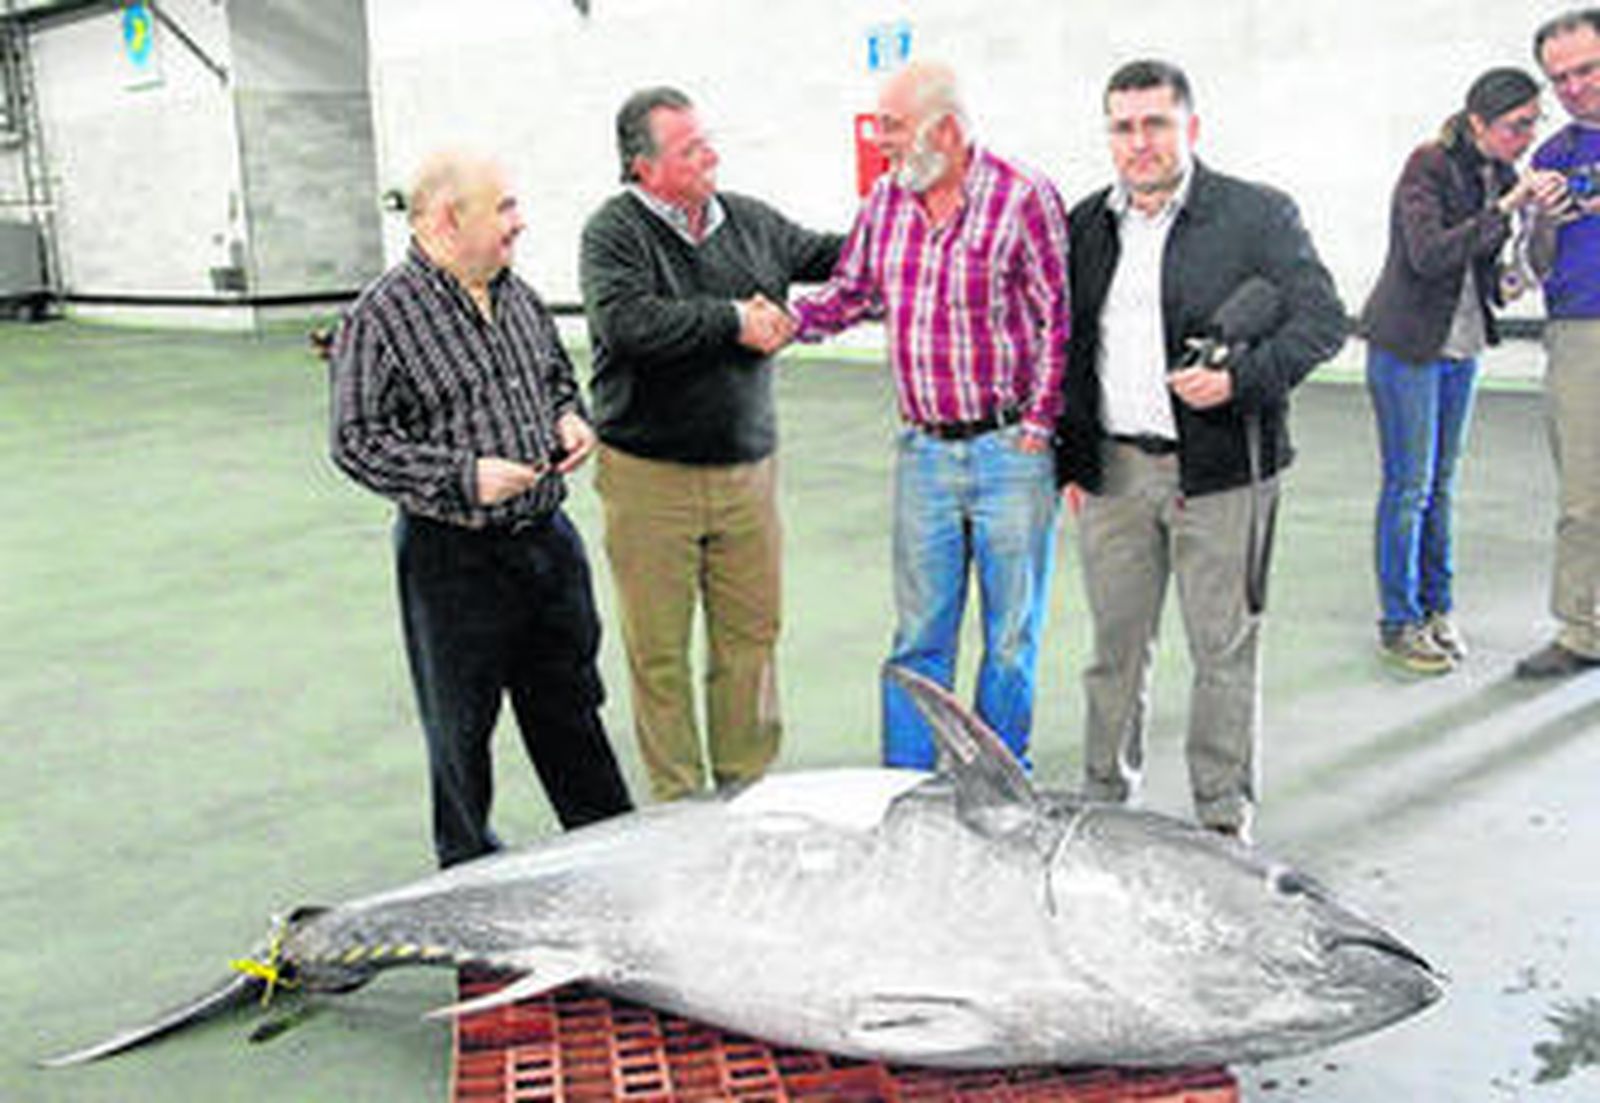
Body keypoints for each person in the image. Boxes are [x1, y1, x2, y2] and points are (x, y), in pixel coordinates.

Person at [1054, 60, 1346, 844]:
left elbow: (1322, 321)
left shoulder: (1258, 214)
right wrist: (1070, 461)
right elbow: (1068, 347)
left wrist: (1241, 380)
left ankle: (1222, 817)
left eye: (1156, 123)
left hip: (1221, 473)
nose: (1139, 142)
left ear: (1192, 127)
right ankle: (1103, 803)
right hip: (1114, 473)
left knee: (1223, 650)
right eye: (1123, 126)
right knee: (1114, 650)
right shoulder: (1085, 226)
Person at [331, 149, 633, 868]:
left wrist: (570, 417)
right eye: (503, 208)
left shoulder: (516, 295)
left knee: (571, 709)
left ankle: (615, 851)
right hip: (453, 561)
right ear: (446, 220)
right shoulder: (380, 319)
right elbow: (356, 441)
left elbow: (556, 377)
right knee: (461, 732)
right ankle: (465, 869)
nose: (518, 221)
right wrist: (463, 477)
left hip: (547, 544)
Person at [789, 60, 1070, 771]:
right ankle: (906, 786)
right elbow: (853, 292)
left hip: (1011, 449)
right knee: (919, 634)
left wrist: (1039, 427)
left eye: (892, 126)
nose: (879, 139)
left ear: (945, 130)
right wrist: (788, 322)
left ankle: (999, 782)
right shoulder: (886, 200)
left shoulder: (1023, 197)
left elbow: (1056, 320)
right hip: (924, 453)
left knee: (1011, 638)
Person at [579, 88, 842, 801]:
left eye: (706, 141)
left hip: (747, 476)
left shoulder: (752, 222)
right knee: (659, 653)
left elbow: (836, 254)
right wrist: (732, 320)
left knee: (750, 640)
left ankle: (745, 791)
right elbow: (627, 323)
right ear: (644, 166)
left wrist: (911, 215)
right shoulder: (614, 233)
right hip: (648, 479)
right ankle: (678, 804)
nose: (710, 156)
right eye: (690, 148)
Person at [1360, 68, 1566, 675]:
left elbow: (1506, 273)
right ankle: (1399, 621)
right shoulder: (1428, 165)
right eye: (1516, 126)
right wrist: (1508, 206)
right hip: (1408, 347)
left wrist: (1543, 223)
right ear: (1478, 122)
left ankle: (1437, 607)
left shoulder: (1500, 174)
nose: (1527, 138)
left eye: (1534, 123)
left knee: (1442, 486)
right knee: (1408, 489)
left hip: (1463, 347)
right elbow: (1429, 255)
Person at [1516, 8, 1600, 678]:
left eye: (1587, 70)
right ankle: (1582, 627)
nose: (1574, 87)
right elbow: (1539, 263)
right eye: (1560, 79)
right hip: (1579, 332)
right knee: (1584, 491)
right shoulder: (1551, 156)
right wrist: (1543, 217)